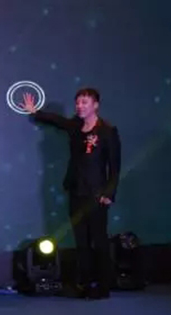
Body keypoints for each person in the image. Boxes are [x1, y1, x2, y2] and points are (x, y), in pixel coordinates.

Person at [21, 88, 121, 299]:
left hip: (97, 194)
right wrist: (35, 112)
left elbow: (114, 166)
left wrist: (109, 193)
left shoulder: (107, 131)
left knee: (98, 240)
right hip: (76, 190)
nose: (80, 106)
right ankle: (84, 282)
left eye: (85, 102)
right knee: (81, 240)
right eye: (77, 103)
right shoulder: (75, 126)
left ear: (95, 105)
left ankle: (103, 285)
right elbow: (57, 121)